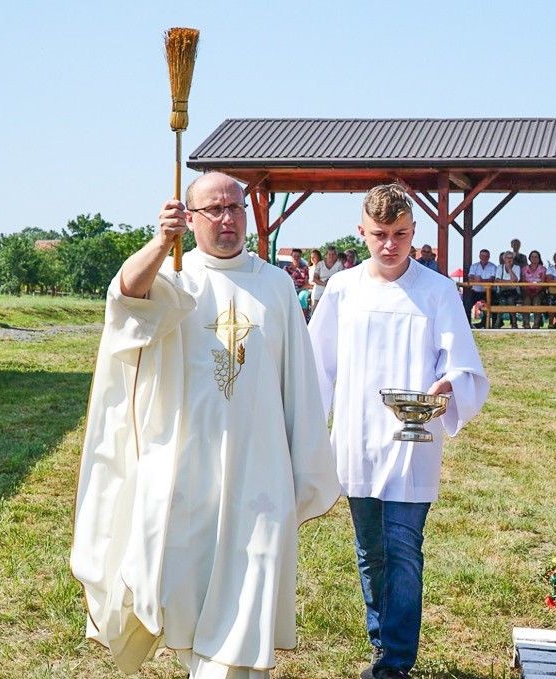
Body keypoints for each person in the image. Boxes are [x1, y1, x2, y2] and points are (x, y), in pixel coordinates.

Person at [70, 172, 339, 679]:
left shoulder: (277, 285)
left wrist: (302, 467)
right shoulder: (175, 276)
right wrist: (158, 241)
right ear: (189, 219)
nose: (227, 219)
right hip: (188, 471)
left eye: (235, 207)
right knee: (190, 595)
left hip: (259, 475)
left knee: (248, 598)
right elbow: (126, 297)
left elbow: (299, 383)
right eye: (213, 210)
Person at [308, 184, 488, 679]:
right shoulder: (342, 289)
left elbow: (463, 365)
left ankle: (396, 662)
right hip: (356, 439)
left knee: (404, 546)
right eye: (381, 235)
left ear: (415, 232)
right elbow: (317, 368)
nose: (391, 245)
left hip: (413, 442)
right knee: (369, 549)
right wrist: (304, 431)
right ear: (361, 232)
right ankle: (382, 644)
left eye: (401, 234)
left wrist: (448, 384)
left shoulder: (437, 291)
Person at [466, 249, 497, 327]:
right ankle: (467, 325)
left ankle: (490, 324)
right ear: (479, 256)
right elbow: (470, 277)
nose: (484, 257)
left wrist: (479, 280)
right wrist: (483, 280)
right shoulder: (474, 266)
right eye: (482, 256)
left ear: (489, 257)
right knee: (467, 304)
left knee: (493, 304)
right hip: (475, 291)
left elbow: (492, 280)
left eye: (486, 256)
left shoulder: (493, 266)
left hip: (489, 291)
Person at [312, 245, 345, 313]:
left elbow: (341, 278)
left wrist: (331, 282)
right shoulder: (320, 264)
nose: (331, 256)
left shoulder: (339, 265)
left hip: (334, 288)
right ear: (326, 255)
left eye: (333, 254)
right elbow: (315, 278)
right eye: (329, 254)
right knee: (315, 310)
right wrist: (324, 283)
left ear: (336, 255)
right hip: (320, 287)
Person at [493, 251, 521, 329]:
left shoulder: (517, 267)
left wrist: (509, 268)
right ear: (504, 259)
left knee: (511, 301)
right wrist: (509, 282)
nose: (509, 259)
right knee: (502, 301)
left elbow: (515, 280)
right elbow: (497, 280)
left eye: (511, 257)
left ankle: (514, 323)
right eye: (507, 257)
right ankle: (498, 322)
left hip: (513, 291)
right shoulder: (500, 267)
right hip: (502, 291)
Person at [520, 250, 547, 329]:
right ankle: (526, 324)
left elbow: (543, 282)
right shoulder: (524, 269)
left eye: (536, 257)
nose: (534, 258)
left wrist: (536, 291)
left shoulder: (543, 269)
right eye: (532, 257)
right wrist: (528, 291)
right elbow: (523, 282)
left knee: (537, 301)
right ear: (529, 258)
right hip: (527, 291)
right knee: (526, 301)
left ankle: (536, 324)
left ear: (539, 258)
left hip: (539, 291)